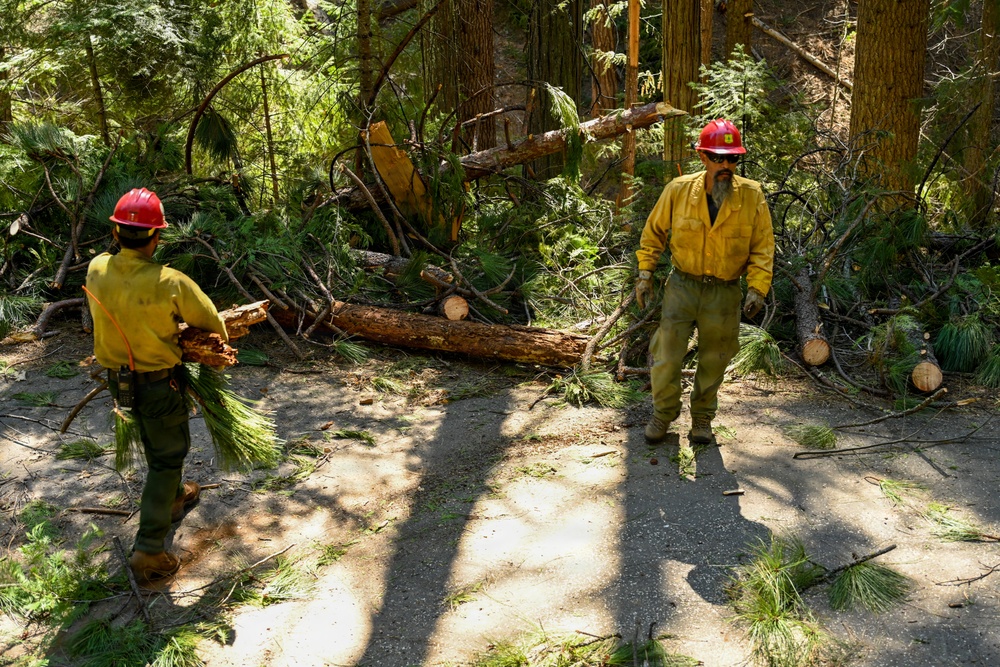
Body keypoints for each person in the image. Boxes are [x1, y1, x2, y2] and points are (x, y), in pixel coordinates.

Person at [85, 188, 229, 584]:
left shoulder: (97, 268)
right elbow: (214, 324)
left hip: (120, 384)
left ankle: (173, 496)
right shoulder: (171, 281)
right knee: (167, 454)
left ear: (115, 233)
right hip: (159, 385)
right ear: (157, 237)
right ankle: (149, 549)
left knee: (157, 444)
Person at [634, 119, 774, 444]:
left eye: (732, 158)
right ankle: (663, 413)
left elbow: (763, 247)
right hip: (682, 286)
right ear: (702, 156)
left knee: (715, 357)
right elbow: (653, 233)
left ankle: (702, 419)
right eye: (718, 157)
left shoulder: (752, 196)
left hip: (724, 292)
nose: (725, 165)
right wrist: (645, 274)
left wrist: (757, 287)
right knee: (667, 353)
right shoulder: (678, 191)